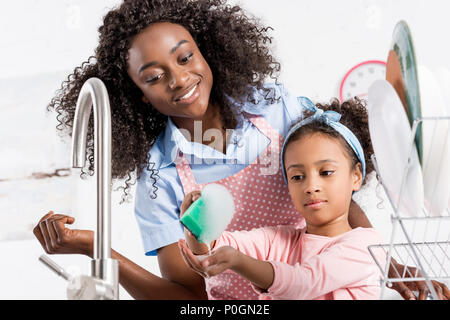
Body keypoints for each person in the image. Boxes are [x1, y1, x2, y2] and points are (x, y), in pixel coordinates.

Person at [32, 0, 449, 300]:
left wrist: (383, 264)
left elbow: (336, 192)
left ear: (205, 52)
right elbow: (190, 295)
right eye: (155, 76)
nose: (178, 79)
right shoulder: (160, 178)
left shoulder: (275, 107)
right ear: (137, 95)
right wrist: (95, 247)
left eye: (185, 57)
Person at [179, 98, 387, 299]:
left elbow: (303, 283)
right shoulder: (280, 240)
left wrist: (239, 262)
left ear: (356, 176)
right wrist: (195, 226)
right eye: (297, 177)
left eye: (326, 172)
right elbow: (218, 246)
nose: (311, 187)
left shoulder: (365, 246)